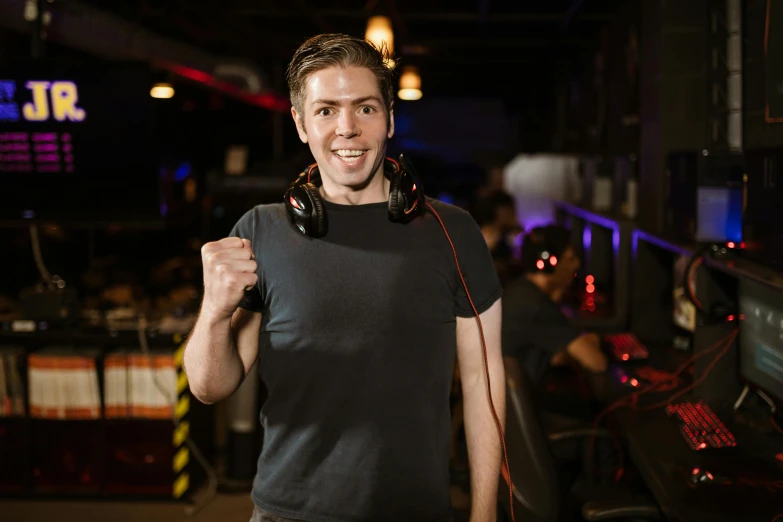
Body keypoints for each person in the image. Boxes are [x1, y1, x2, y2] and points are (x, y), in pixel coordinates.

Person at [183, 33, 506, 522]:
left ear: (390, 118)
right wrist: (212, 311)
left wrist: (485, 516)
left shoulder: (453, 232)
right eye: (326, 110)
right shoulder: (258, 232)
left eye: (366, 109)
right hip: (287, 513)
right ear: (300, 123)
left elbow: (484, 384)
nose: (347, 129)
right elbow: (210, 388)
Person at [501, 224, 607, 387]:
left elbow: (556, 357)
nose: (577, 265)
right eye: (570, 259)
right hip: (531, 402)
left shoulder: (520, 290)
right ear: (549, 261)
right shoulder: (536, 307)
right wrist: (591, 342)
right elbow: (597, 363)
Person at [470, 190, 524, 286]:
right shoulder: (489, 234)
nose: (515, 214)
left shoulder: (506, 235)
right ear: (500, 211)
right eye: (511, 209)